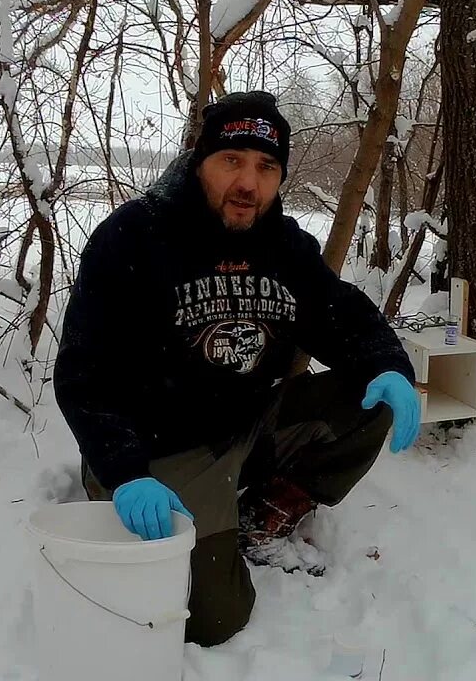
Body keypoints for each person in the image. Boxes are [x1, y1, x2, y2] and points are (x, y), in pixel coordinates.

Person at [52, 90, 421, 647]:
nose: (248, 183)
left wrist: (388, 363)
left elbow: (336, 311)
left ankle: (259, 513)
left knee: (368, 396)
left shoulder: (284, 246)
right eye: (232, 161)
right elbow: (84, 376)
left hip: (243, 424)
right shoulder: (133, 238)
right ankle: (192, 514)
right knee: (214, 619)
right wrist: (126, 473)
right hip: (157, 450)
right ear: (200, 161)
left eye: (266, 166)